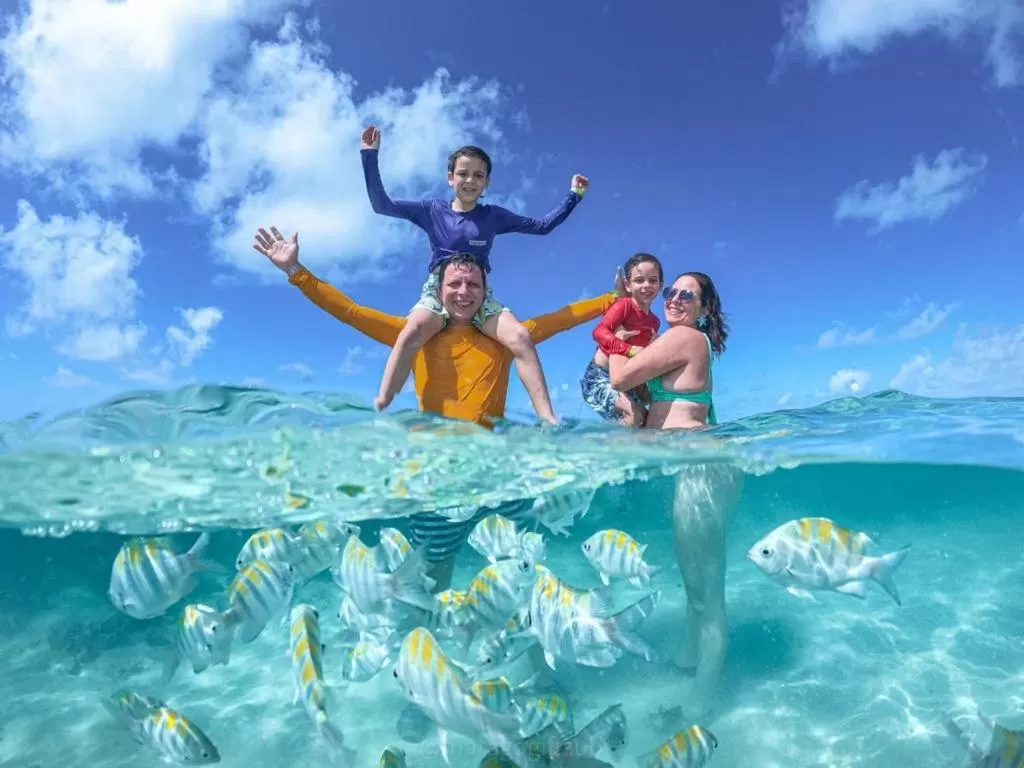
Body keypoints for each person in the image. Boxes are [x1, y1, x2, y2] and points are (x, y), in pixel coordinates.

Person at [252, 225, 620, 589]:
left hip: (499, 473)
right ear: (438, 290)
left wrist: (612, 298)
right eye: (454, 284)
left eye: (473, 285)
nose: (463, 292)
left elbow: (563, 319)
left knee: (521, 567)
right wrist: (295, 271)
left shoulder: (505, 338)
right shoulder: (413, 335)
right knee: (431, 578)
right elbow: (350, 311)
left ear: (485, 292)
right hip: (435, 476)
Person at [359, 125, 589, 426]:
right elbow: (382, 205)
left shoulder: (493, 216)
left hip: (479, 294)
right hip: (438, 290)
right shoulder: (432, 210)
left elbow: (542, 226)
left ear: (487, 182)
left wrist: (574, 196)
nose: (470, 180)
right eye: (463, 173)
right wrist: (369, 156)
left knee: (520, 336)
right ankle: (383, 401)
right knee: (412, 331)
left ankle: (547, 417)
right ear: (450, 177)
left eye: (478, 175)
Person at [608, 270, 738, 719]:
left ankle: (698, 709)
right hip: (697, 467)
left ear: (703, 309)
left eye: (688, 295)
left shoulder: (685, 337)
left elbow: (620, 377)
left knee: (706, 594)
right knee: (695, 583)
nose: (675, 299)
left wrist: (612, 335)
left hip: (702, 468)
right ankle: (687, 662)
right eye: (671, 292)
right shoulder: (673, 341)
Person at [581, 252, 663, 426]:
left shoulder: (655, 322)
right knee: (634, 415)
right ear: (628, 284)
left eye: (653, 280)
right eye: (639, 280)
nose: (646, 285)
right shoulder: (624, 306)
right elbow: (599, 332)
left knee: (647, 422)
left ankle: (616, 442)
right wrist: (629, 350)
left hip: (627, 381)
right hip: (599, 377)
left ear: (661, 285)